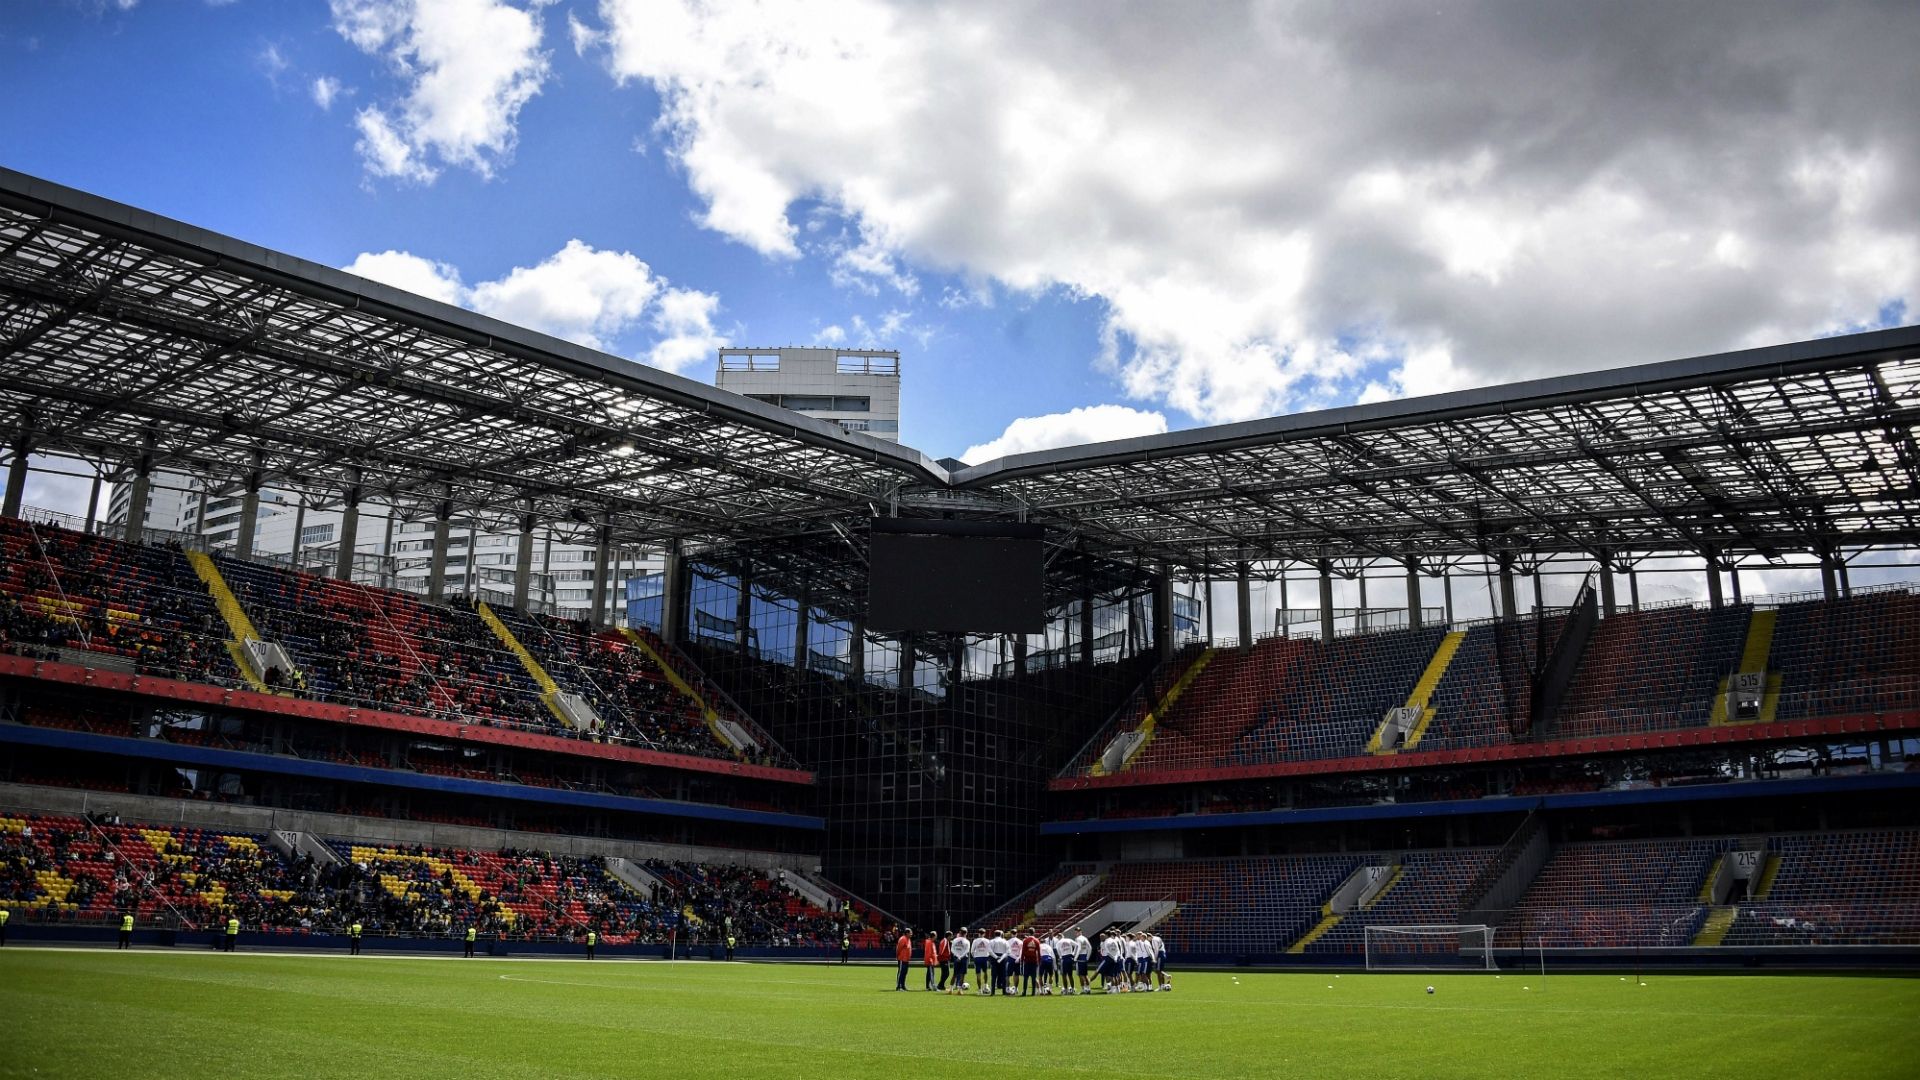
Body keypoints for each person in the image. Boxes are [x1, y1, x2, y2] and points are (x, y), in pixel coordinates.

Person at [986, 930, 1010, 996]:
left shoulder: (992, 941)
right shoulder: (1005, 941)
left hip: (994, 958)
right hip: (1003, 957)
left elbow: (990, 951)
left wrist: (996, 957)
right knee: (1003, 975)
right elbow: (1008, 951)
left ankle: (993, 992)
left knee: (994, 975)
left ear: (994, 934)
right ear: (1001, 934)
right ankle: (1004, 991)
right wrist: (1001, 958)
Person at [970, 930, 992, 995]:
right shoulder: (987, 941)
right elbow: (990, 950)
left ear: (978, 933)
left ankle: (980, 990)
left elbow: (972, 951)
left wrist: (975, 957)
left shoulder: (975, 941)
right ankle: (985, 985)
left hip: (977, 958)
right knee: (985, 972)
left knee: (978, 974)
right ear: (984, 934)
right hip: (985, 957)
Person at [1020, 932, 1040, 996]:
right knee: (1033, 977)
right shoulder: (1037, 941)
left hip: (1027, 961)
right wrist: (1039, 961)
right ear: (1034, 933)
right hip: (1034, 961)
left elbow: (1023, 951)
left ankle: (1024, 992)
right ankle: (1033, 992)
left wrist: (1022, 960)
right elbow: (1039, 952)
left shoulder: (1025, 941)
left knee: (1025, 977)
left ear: (1029, 933)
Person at [1074, 927, 1092, 993]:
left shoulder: (1077, 939)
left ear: (1080, 931)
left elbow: (1078, 949)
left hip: (1079, 957)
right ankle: (1088, 988)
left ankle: (1083, 989)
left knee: (1080, 975)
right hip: (1084, 956)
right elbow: (1090, 948)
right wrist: (1087, 957)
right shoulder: (1085, 938)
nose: (1076, 933)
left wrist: (1075, 957)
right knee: (1085, 974)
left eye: (1077, 932)